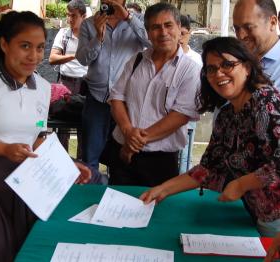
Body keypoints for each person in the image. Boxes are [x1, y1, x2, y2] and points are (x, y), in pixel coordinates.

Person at [0, 11, 91, 261]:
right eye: (25, 46)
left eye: (39, 47)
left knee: (19, 249)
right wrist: (3, 149)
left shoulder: (43, 89)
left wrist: (66, 165)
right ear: (4, 44)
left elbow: (37, 138)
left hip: (23, 182)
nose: (34, 56)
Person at [140, 37, 280, 237]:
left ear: (247, 68)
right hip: (257, 213)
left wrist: (242, 184)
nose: (218, 74)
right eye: (211, 69)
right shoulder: (227, 115)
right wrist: (163, 189)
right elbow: (208, 168)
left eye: (227, 65)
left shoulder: (267, 102)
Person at [107, 3, 200, 187]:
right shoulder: (136, 60)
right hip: (123, 154)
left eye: (168, 25)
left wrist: (134, 142)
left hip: (161, 161)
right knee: (116, 209)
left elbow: (180, 116)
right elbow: (116, 98)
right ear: (148, 33)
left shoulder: (190, 70)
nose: (163, 32)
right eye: (156, 27)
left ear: (180, 29)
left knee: (158, 213)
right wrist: (127, 132)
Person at [76, 0, 150, 170]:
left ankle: (116, 194)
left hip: (127, 100)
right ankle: (91, 192)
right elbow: (82, 59)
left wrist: (128, 17)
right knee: (90, 155)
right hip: (97, 97)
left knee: (123, 156)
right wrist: (98, 38)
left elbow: (151, 43)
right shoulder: (89, 24)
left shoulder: (138, 22)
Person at [49, 0, 87, 159]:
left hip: (85, 84)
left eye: (74, 16)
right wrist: (74, 56)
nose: (70, 19)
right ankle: (61, 161)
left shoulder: (91, 35)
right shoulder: (64, 34)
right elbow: (52, 58)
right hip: (65, 83)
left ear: (83, 16)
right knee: (61, 126)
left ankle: (80, 163)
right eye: (68, 15)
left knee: (83, 127)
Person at [233, 0, 280, 88]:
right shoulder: (236, 60)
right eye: (237, 29)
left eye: (248, 27)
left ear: (272, 23)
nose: (241, 36)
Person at [178, 14, 202, 174]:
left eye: (183, 33)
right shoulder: (164, 57)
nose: (179, 38)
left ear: (190, 33)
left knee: (185, 154)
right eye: (177, 32)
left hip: (188, 115)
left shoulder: (197, 59)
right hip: (165, 115)